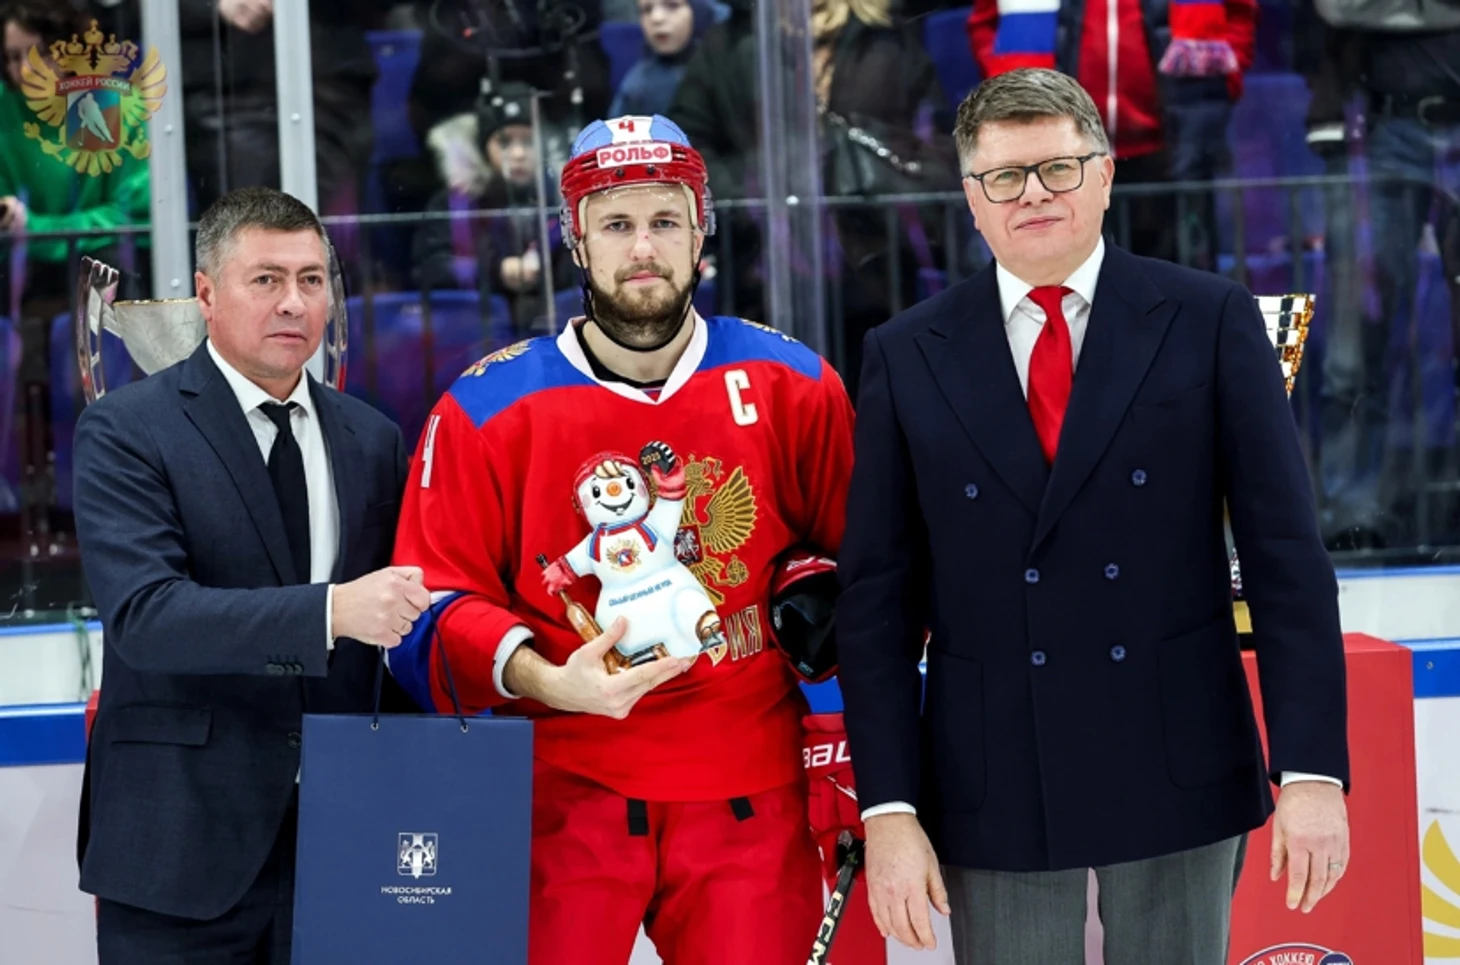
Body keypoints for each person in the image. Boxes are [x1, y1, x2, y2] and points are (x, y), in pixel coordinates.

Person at [835, 68, 1351, 964]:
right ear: (972, 199)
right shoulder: (906, 353)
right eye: (1005, 176)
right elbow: (876, 602)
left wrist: (1311, 770)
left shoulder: (1209, 319)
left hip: (1178, 753)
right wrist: (888, 807)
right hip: (993, 770)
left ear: (1106, 176)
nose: (1033, 193)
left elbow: (1285, 558)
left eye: (1058, 169)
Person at [388, 113, 856, 964]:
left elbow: (875, 575)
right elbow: (425, 608)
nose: (643, 247)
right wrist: (546, 677)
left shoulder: (793, 384)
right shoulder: (485, 409)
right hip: (558, 795)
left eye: (665, 220)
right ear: (575, 239)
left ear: (701, 232)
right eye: (615, 224)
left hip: (751, 793)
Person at [72, 187, 429, 964]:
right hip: (180, 847)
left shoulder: (372, 438)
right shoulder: (126, 429)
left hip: (343, 842)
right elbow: (147, 616)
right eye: (266, 279)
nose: (293, 301)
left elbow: (399, 633)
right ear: (206, 294)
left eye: (311, 279)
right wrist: (331, 612)